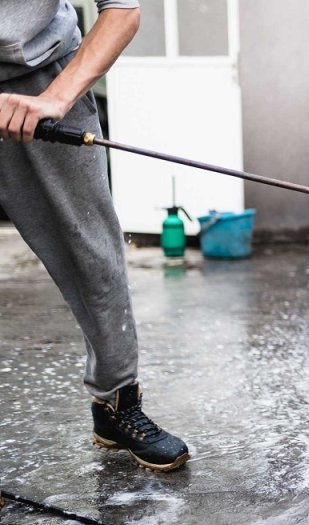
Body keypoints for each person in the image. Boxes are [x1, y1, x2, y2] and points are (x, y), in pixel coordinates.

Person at [0, 1, 189, 472]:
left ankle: (116, 405)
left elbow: (121, 10)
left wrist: (57, 97)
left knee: (93, 253)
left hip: (42, 79)